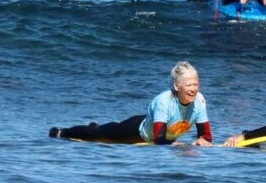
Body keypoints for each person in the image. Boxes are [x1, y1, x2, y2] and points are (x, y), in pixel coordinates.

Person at [49, 62, 212, 146]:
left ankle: (100, 126)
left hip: (154, 127)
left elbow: (205, 135)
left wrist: (202, 140)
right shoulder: (164, 101)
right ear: (177, 86)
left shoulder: (199, 101)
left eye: (196, 84)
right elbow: (159, 139)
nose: (193, 89)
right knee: (97, 135)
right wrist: (178, 145)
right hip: (136, 131)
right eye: (189, 85)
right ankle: (61, 133)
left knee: (104, 129)